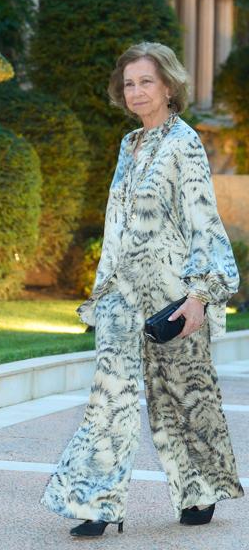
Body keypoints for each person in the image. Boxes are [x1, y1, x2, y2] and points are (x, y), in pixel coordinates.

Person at [42, 42, 244, 537]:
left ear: (169, 86)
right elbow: (116, 225)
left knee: (183, 397)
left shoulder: (185, 143)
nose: (136, 91)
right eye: (129, 83)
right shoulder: (129, 145)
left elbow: (203, 222)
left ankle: (200, 490)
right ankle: (96, 502)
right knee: (109, 397)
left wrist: (201, 294)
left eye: (146, 82)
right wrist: (103, 291)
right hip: (122, 296)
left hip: (175, 298)